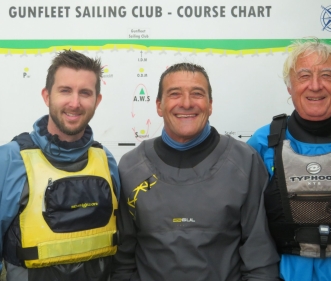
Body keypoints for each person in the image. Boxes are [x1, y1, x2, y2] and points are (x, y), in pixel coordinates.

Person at [111, 63, 280, 281]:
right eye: (175, 94)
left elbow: (260, 258)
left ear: (210, 105)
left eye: (197, 94)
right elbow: (123, 261)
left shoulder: (244, 162)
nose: (187, 103)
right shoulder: (130, 167)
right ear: (159, 105)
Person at [247, 39, 331, 281]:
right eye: (304, 76)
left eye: (327, 75)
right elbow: (240, 219)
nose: (315, 86)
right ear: (290, 86)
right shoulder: (262, 141)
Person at [0, 50, 120, 281]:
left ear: (97, 100)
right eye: (65, 90)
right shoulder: (10, 161)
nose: (74, 103)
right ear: (47, 96)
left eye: (85, 93)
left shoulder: (106, 160)